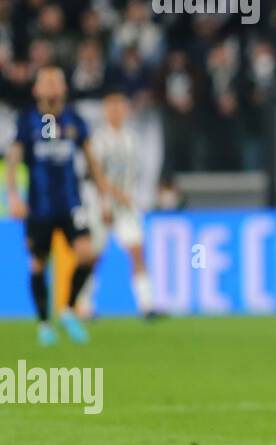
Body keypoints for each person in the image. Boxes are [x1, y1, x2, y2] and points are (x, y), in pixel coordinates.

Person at [5, 66, 110, 345]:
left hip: (71, 203)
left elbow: (91, 161)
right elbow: (13, 159)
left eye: (56, 81)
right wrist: (12, 195)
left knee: (88, 254)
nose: (51, 87)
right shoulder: (27, 121)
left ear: (64, 88)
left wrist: (103, 197)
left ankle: (67, 308)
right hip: (39, 206)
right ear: (36, 89)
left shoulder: (75, 119)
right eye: (46, 82)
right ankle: (43, 324)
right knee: (39, 263)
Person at [79, 90, 160, 319]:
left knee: (136, 251)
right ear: (106, 111)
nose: (117, 112)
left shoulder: (132, 139)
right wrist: (106, 203)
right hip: (101, 205)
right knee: (94, 256)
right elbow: (95, 175)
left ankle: (147, 305)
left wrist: (136, 197)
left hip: (125, 206)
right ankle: (85, 305)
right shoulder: (99, 140)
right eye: (112, 107)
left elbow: (136, 174)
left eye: (120, 107)